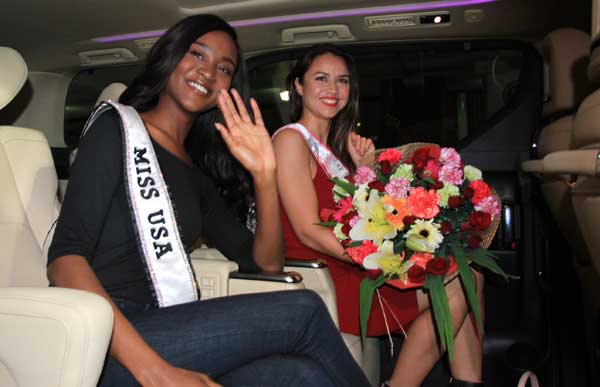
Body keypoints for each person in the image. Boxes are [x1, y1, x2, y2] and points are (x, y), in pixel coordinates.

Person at [47, 15, 370, 387]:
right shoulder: (115, 129)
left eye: (223, 68)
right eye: (197, 54)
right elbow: (64, 259)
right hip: (106, 337)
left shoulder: (196, 174)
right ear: (170, 56)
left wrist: (266, 177)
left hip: (165, 325)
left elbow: (265, 264)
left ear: (229, 87)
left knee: (300, 375)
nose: (207, 71)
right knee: (305, 309)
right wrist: (157, 373)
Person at [273, 44, 485, 387]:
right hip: (326, 273)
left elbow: (358, 218)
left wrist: (365, 171)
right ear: (298, 86)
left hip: (349, 263)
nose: (333, 89)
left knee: (468, 274)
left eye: (341, 81)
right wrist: (385, 262)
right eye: (321, 79)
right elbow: (309, 229)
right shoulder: (290, 141)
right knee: (460, 283)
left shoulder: (334, 151)